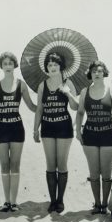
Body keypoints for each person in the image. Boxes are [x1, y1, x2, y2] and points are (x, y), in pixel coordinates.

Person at [76, 60, 112, 214]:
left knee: (106, 174)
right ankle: (97, 204)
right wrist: (78, 131)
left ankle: (105, 204)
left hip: (108, 137)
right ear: (90, 74)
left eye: (99, 71)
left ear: (104, 73)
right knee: (93, 174)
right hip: (90, 136)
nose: (97, 73)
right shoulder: (85, 92)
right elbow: (79, 113)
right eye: (94, 71)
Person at [34, 52, 78, 213]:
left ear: (61, 67)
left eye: (55, 65)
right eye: (49, 65)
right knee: (50, 165)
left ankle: (60, 200)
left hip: (64, 127)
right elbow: (39, 109)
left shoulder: (68, 82)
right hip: (47, 128)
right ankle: (52, 201)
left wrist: (67, 92)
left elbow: (76, 107)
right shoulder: (42, 85)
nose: (52, 67)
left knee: (62, 164)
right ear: (47, 67)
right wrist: (35, 129)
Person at [0, 52, 36, 212]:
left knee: (15, 165)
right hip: (1, 129)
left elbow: (32, 107)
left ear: (14, 65)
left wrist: (44, 102)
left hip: (16, 128)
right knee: (4, 165)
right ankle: (6, 201)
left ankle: (14, 202)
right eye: (5, 63)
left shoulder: (21, 85)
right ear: (1, 66)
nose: (8, 66)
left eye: (10, 63)